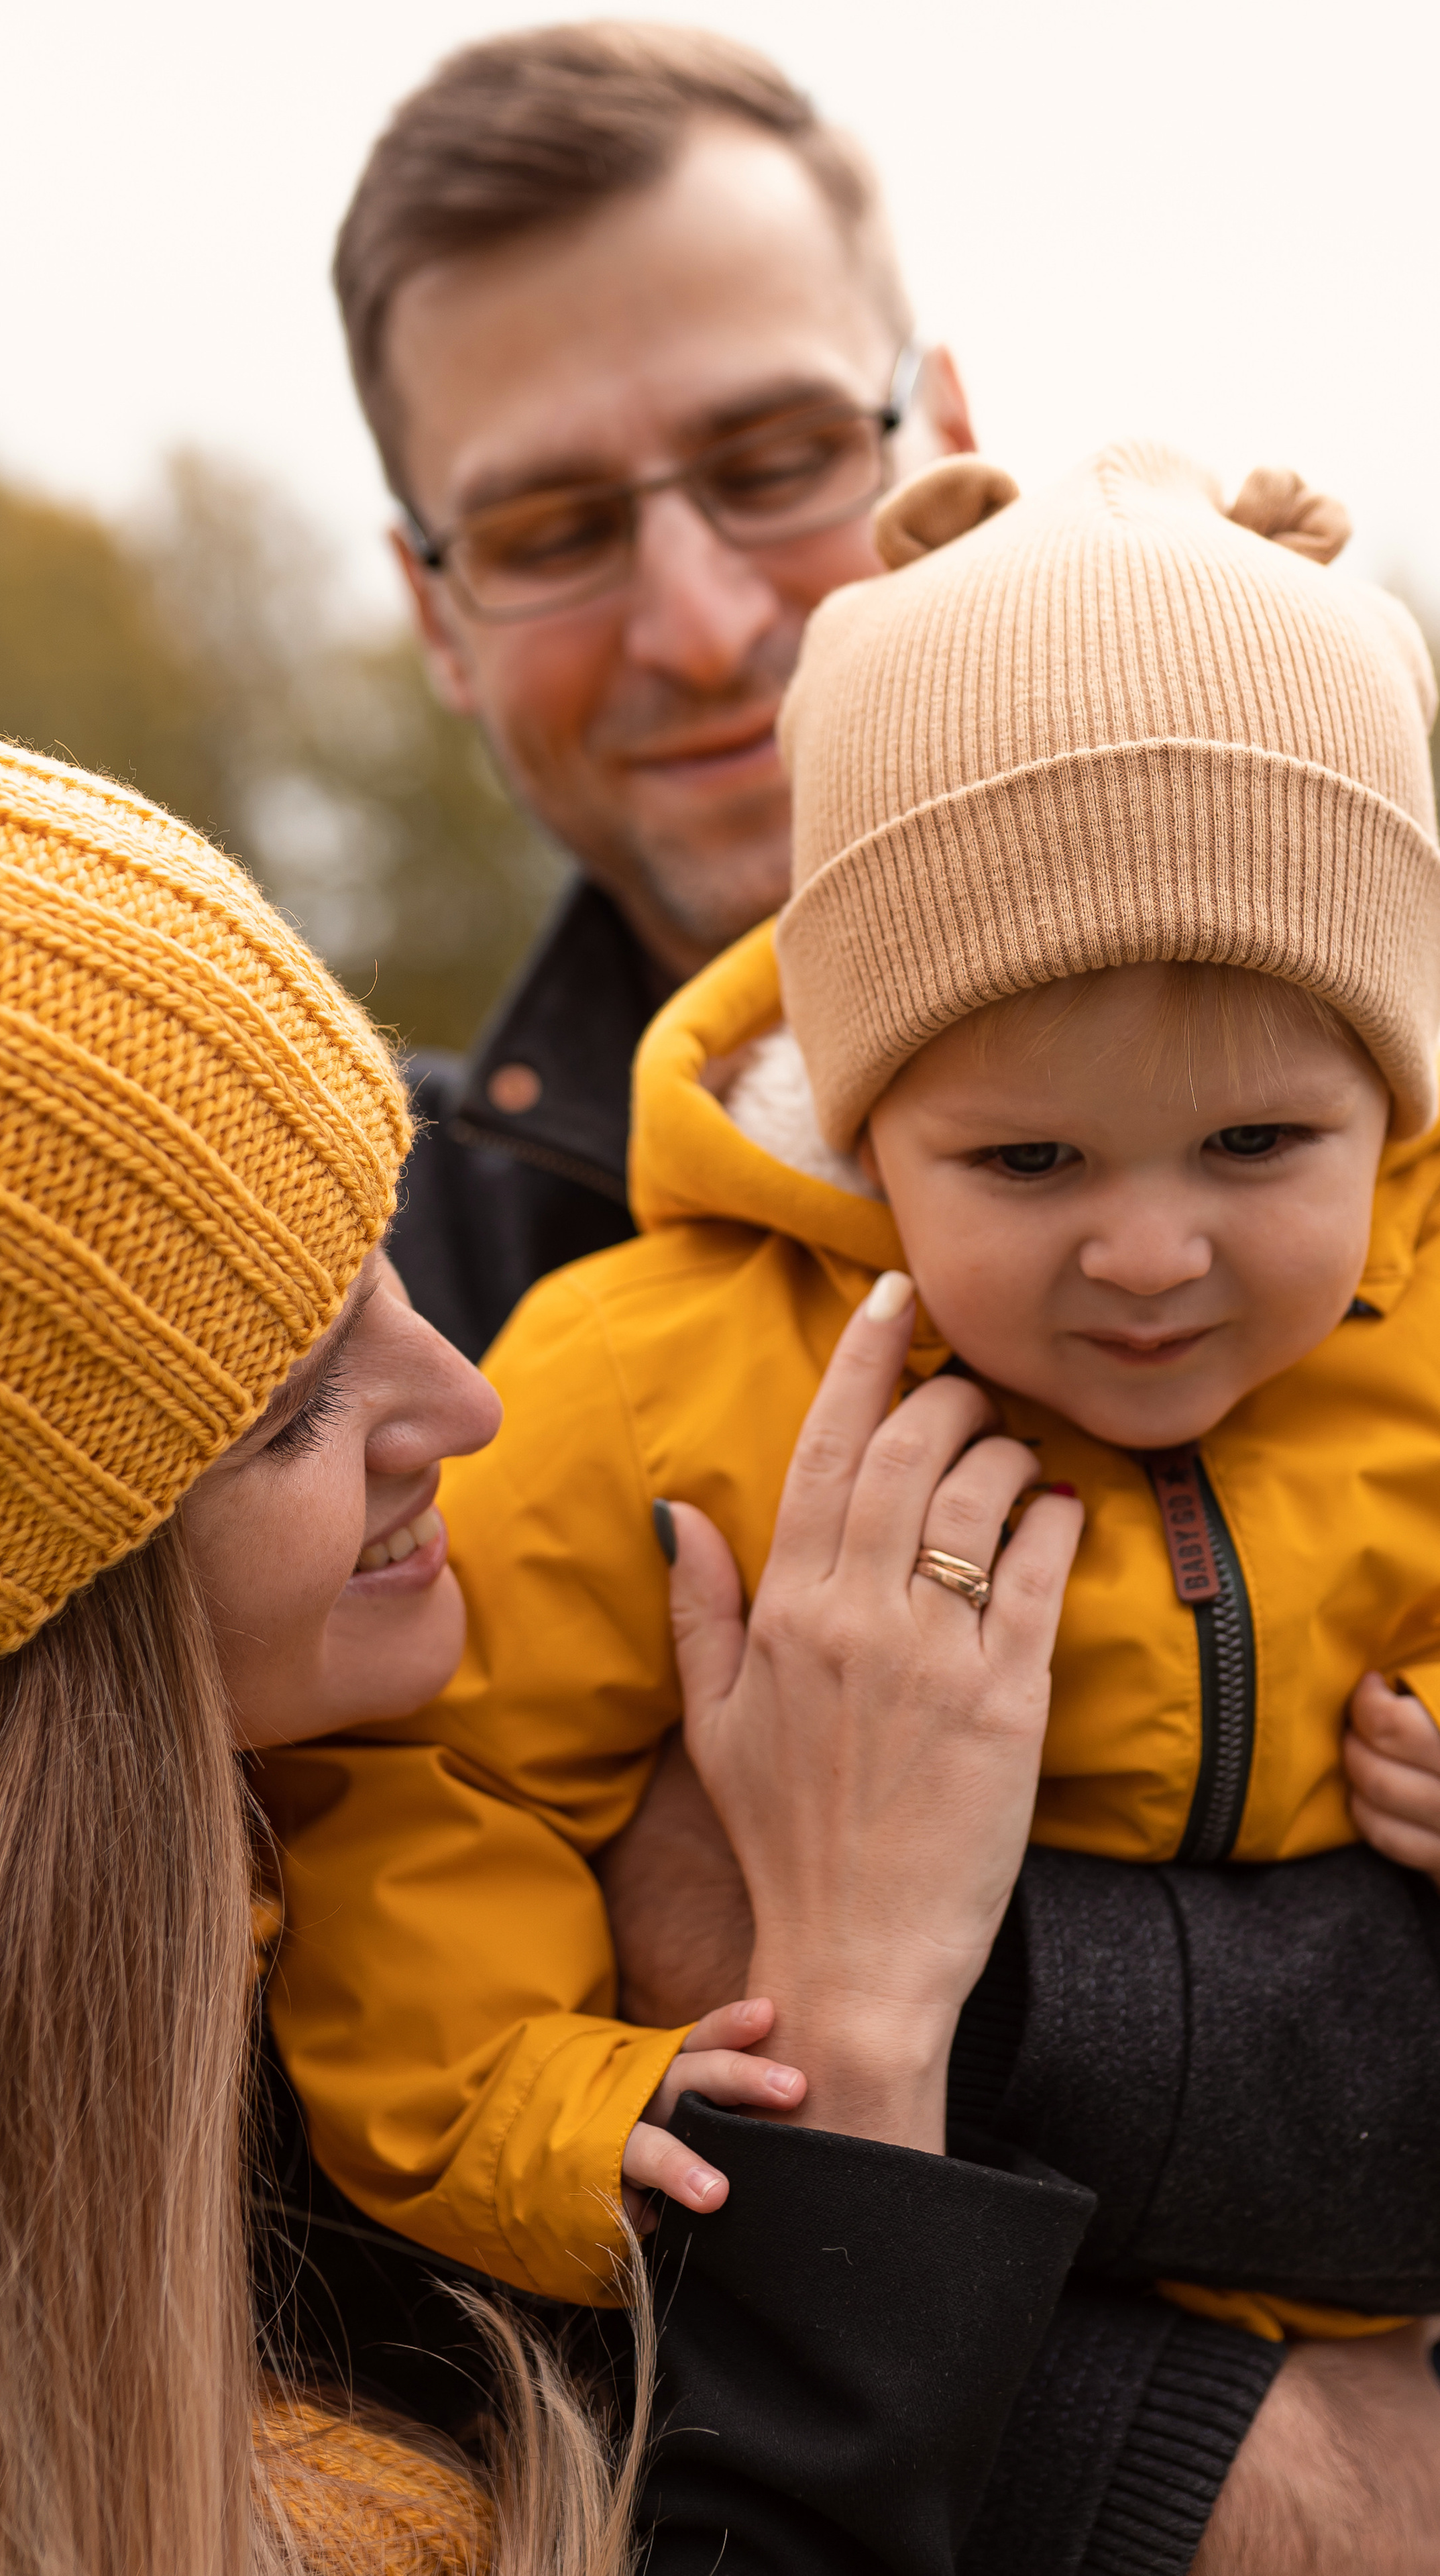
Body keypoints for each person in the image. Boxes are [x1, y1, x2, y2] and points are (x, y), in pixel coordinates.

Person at [0, 677, 1098, 2576]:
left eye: (387, 1262)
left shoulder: (242, 1899)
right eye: (293, 1410)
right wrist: (859, 2031)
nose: (465, 1402)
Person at [261, 449, 1440, 2567]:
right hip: (958, 2399)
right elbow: (442, 1799)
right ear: (866, 1114)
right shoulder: (653, 1384)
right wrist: (567, 2106)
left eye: (1261, 1141)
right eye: (1031, 1167)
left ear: (1397, 1096)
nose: (1154, 1254)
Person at [332, 21, 976, 1359]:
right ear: (434, 619)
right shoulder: (337, 1337)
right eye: (552, 534)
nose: (695, 629)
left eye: (780, 461)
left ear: (953, 443)